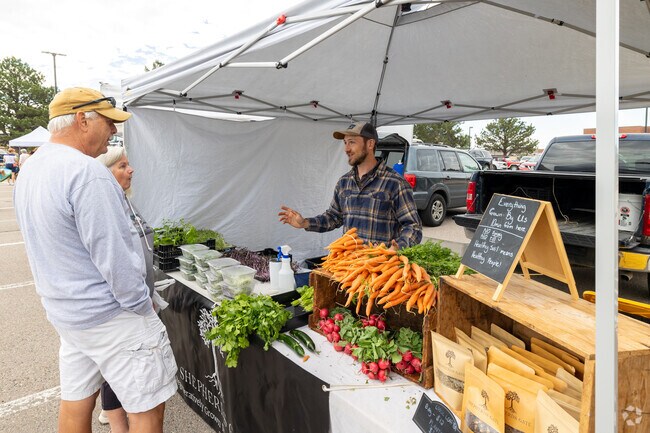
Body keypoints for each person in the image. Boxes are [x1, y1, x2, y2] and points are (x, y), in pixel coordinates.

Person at [14, 87, 177, 433]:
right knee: (147, 410)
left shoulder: (30, 168)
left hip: (69, 316)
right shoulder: (86, 172)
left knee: (75, 405)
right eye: (108, 123)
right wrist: (142, 305)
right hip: (113, 317)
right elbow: (115, 257)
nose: (114, 132)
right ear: (81, 120)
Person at [279, 121, 422, 249]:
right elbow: (333, 217)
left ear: (370, 144)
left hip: (380, 269)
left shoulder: (395, 183)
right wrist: (305, 223)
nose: (346, 149)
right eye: (345, 143)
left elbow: (413, 227)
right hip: (350, 267)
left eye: (352, 142)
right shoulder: (344, 182)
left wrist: (399, 247)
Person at [95, 146, 156, 433]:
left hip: (139, 296)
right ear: (105, 173)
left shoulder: (126, 201)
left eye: (128, 164)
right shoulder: (106, 206)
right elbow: (113, 261)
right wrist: (141, 303)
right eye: (122, 166)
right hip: (123, 306)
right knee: (117, 370)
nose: (131, 170)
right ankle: (119, 425)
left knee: (127, 372)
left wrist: (150, 292)